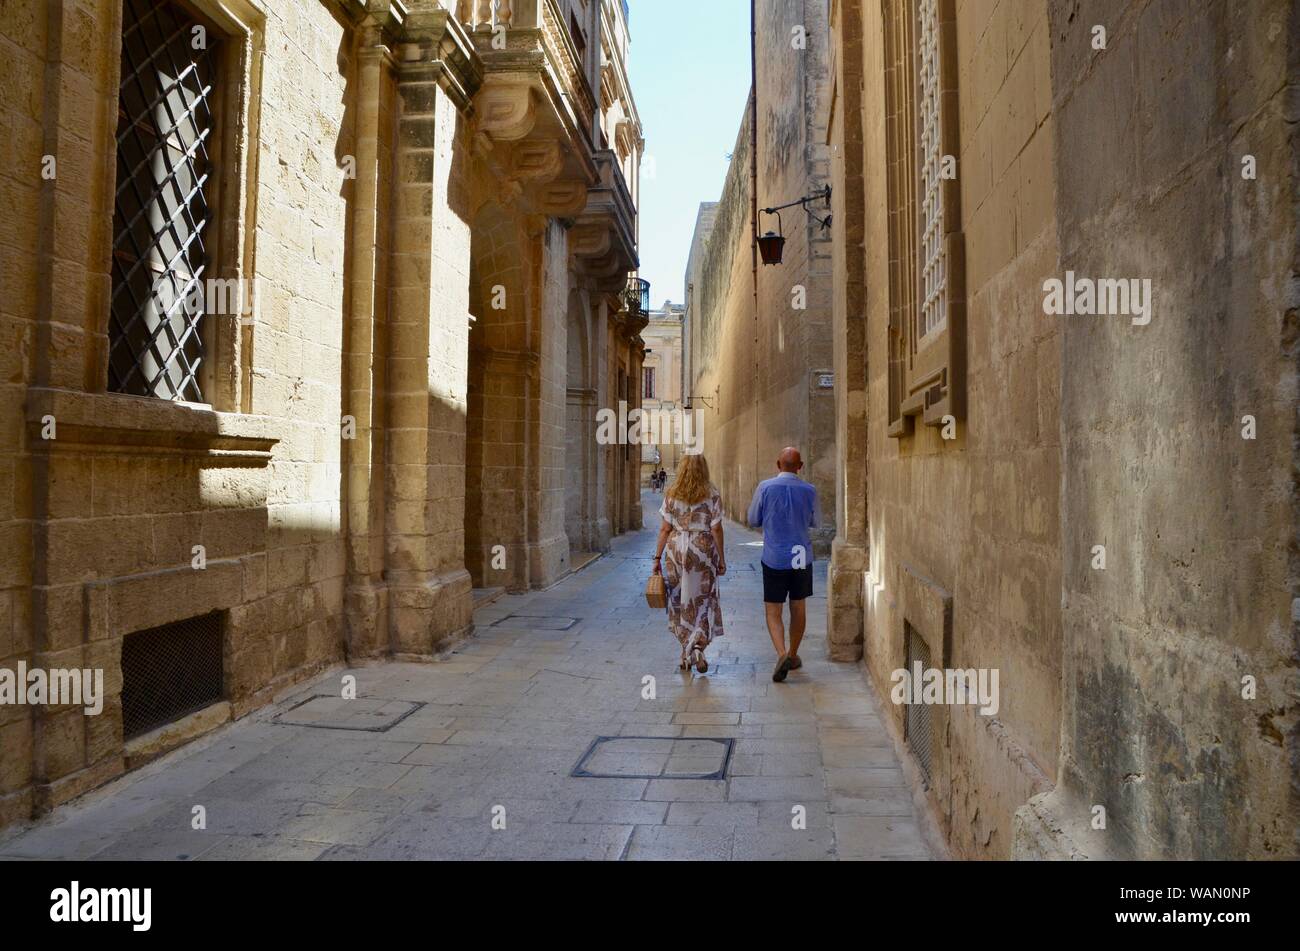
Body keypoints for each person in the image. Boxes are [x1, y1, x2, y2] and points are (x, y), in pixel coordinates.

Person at [747, 448, 820, 683]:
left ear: (778, 464)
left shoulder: (765, 487)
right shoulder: (809, 490)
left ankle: (781, 653)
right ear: (800, 466)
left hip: (774, 555)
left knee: (773, 609)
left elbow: (752, 519)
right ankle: (794, 653)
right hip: (800, 554)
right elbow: (815, 521)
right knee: (798, 606)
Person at [653, 454, 726, 673]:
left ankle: (686, 651)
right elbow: (716, 528)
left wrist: (657, 558)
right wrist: (721, 558)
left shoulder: (671, 494)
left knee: (680, 600)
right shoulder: (712, 494)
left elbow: (665, 529)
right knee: (702, 600)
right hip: (702, 550)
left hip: (676, 550)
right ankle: (697, 648)